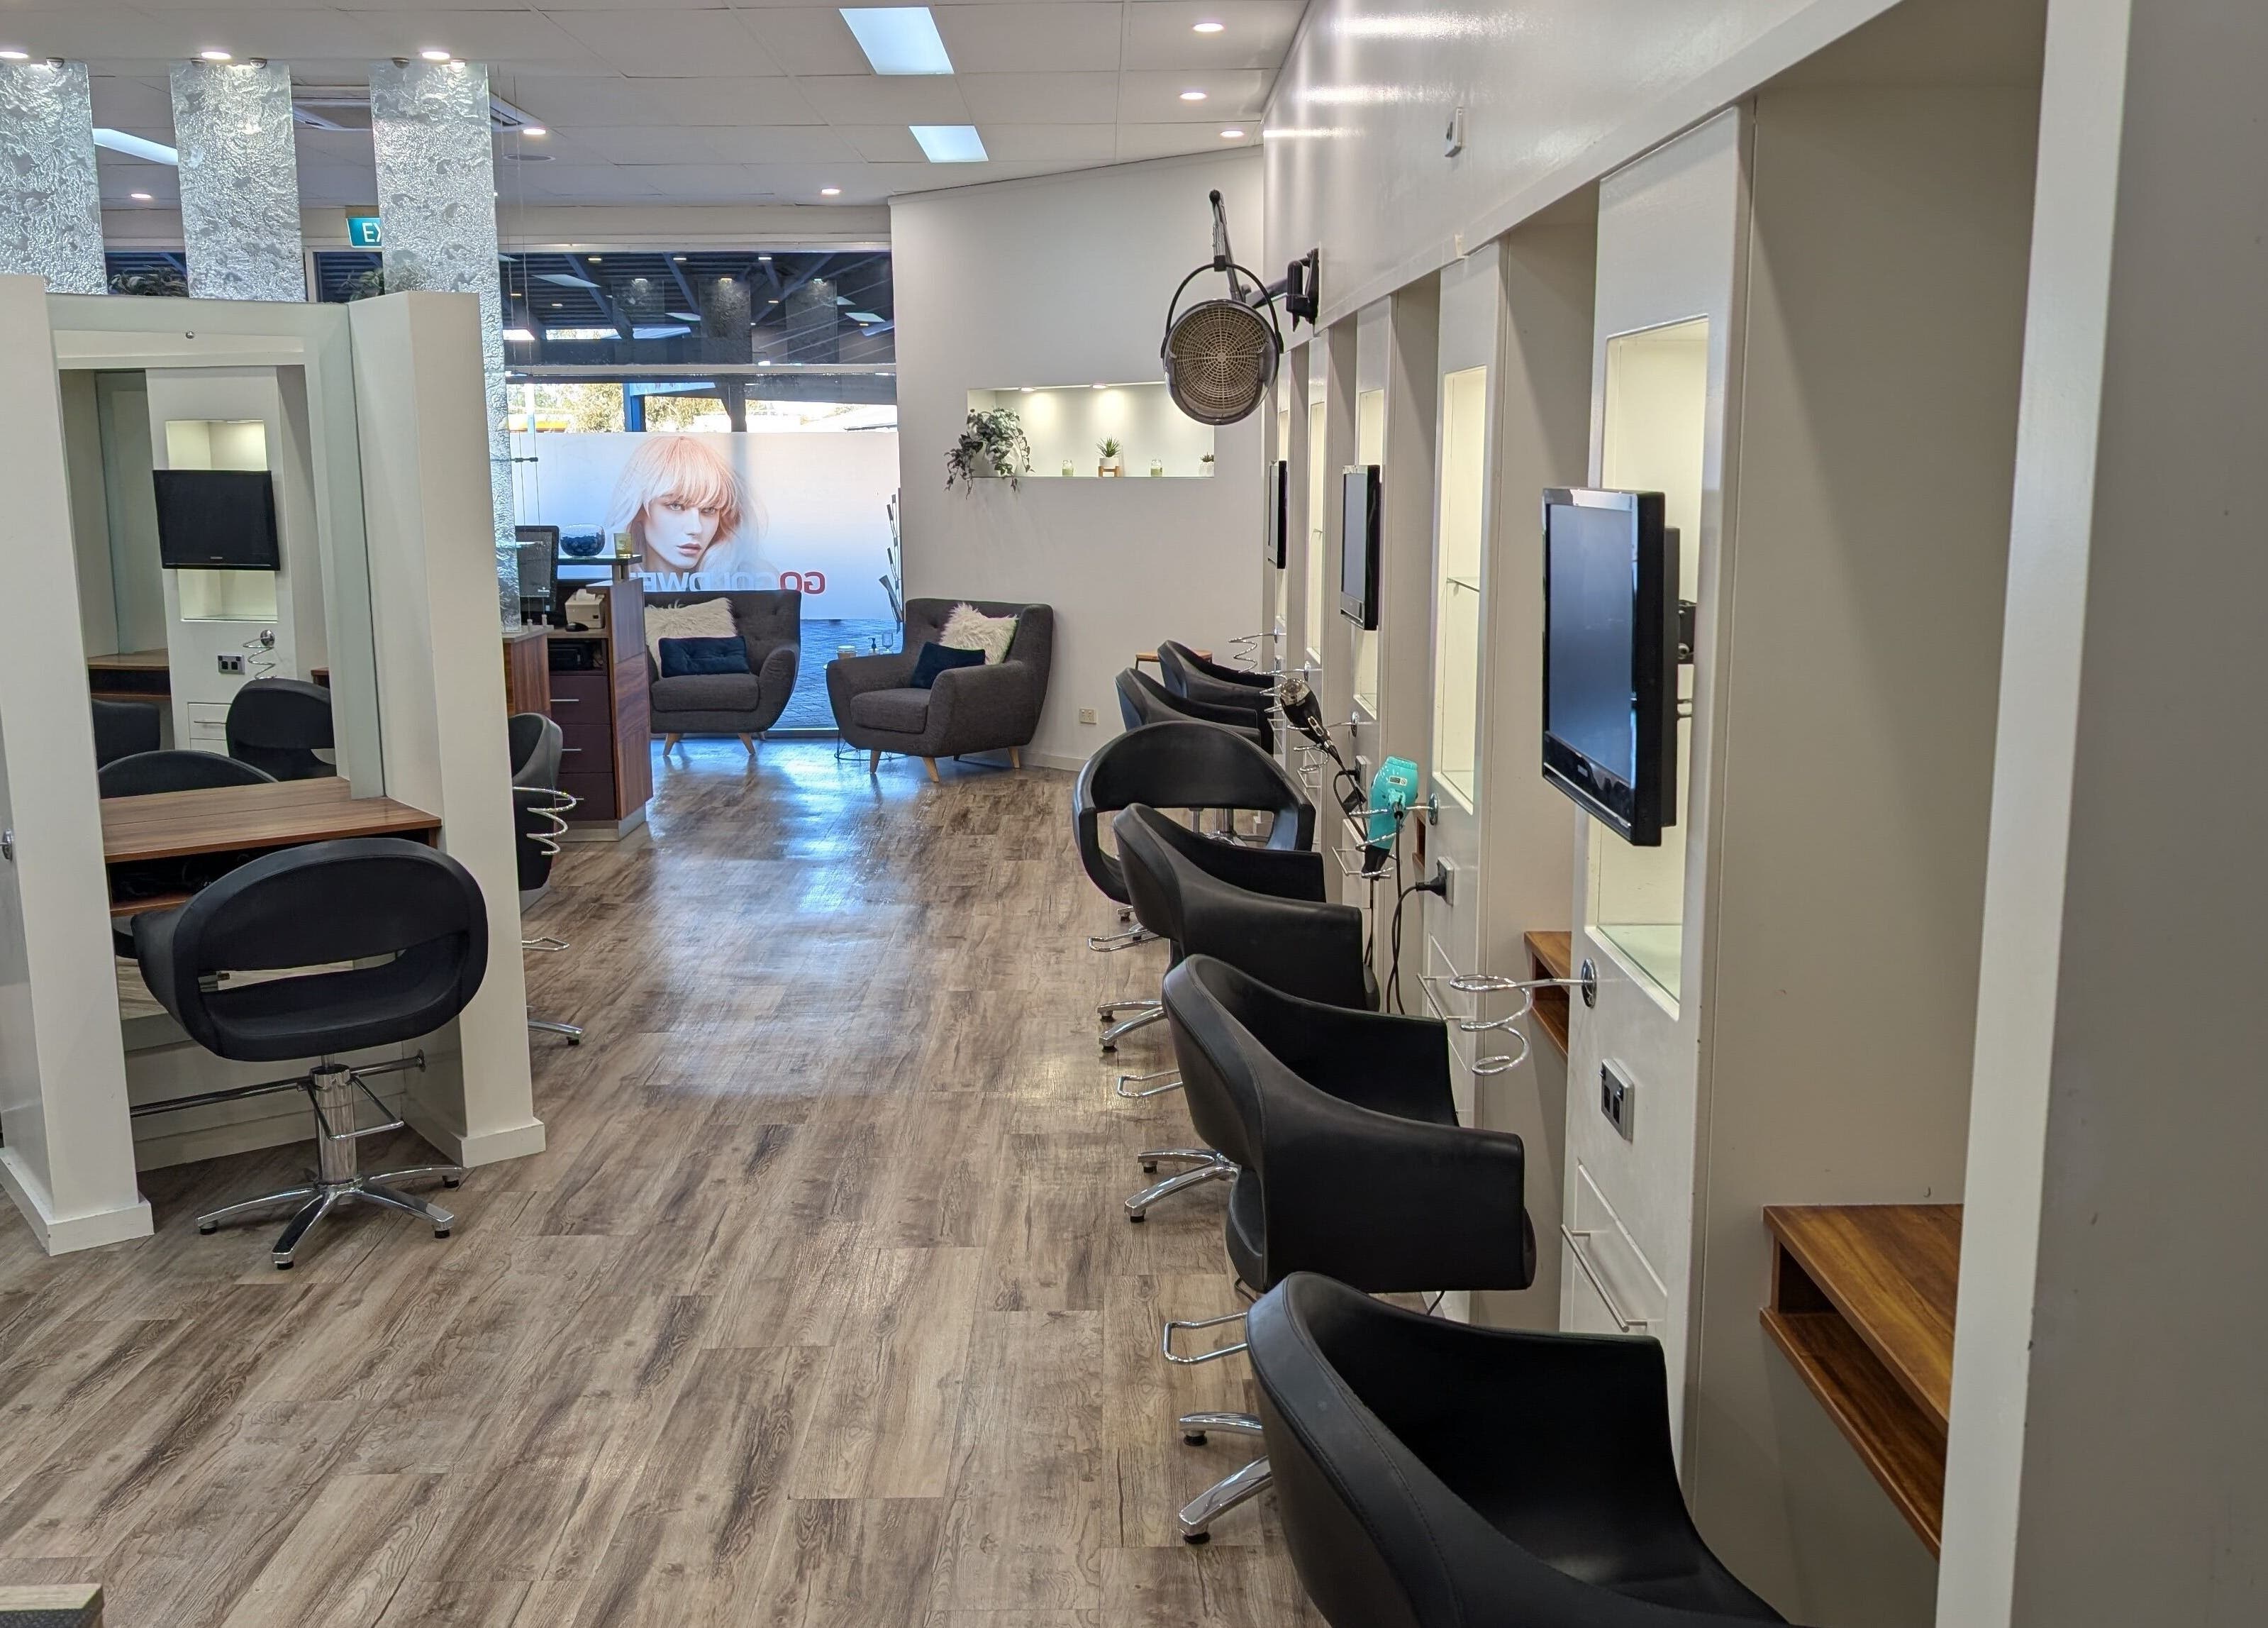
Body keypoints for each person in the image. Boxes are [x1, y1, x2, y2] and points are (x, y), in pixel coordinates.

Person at [604, 433, 776, 590]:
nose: (696, 528)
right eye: (676, 506)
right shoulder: (617, 591)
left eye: (709, 509)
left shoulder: (750, 583)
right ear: (639, 509)